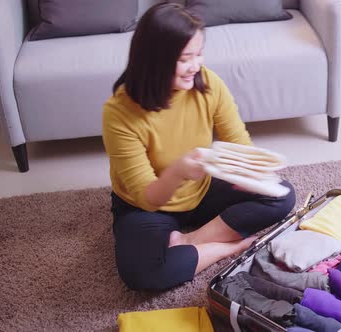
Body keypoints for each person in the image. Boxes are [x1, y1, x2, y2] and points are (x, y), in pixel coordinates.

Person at [102, 3, 296, 291]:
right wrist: (178, 171)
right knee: (142, 274)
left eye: (199, 54)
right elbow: (147, 198)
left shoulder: (207, 84)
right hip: (147, 206)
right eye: (185, 58)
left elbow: (237, 140)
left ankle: (192, 240)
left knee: (282, 194)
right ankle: (225, 248)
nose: (196, 65)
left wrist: (252, 173)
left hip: (202, 188)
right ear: (154, 60)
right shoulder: (119, 113)